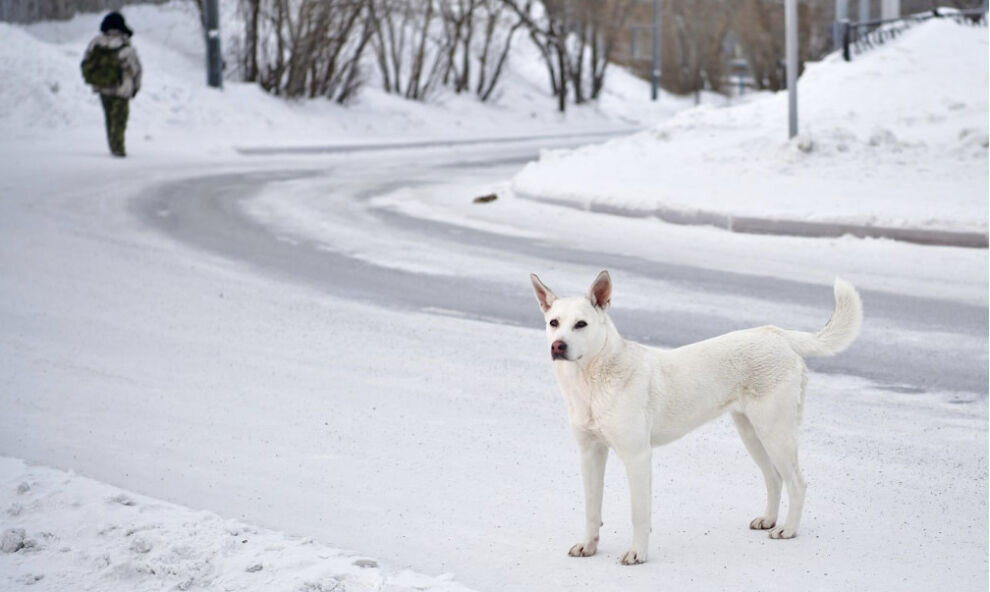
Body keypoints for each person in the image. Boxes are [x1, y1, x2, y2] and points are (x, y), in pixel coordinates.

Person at [81, 12, 142, 157]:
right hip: (121, 89)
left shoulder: (96, 43)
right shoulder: (124, 46)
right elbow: (136, 69)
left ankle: (113, 147)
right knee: (119, 121)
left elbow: (86, 62)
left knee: (109, 119)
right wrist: (136, 87)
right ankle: (118, 150)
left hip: (103, 87)